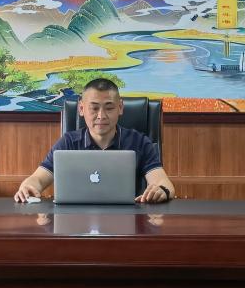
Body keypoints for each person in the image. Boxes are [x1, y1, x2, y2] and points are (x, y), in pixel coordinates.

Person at [14, 78, 175, 203]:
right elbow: (38, 178)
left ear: (120, 108)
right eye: (94, 108)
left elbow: (163, 182)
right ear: (81, 109)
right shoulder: (68, 143)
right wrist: (29, 186)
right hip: (74, 221)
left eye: (109, 108)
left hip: (128, 221)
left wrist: (162, 190)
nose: (101, 116)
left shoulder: (139, 142)